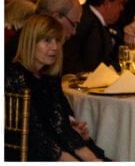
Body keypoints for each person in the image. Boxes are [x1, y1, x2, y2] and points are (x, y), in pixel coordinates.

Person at [6, 13, 104, 161]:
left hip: (53, 148)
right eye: (47, 40)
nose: (55, 47)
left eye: (58, 40)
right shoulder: (14, 76)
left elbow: (62, 126)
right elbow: (35, 134)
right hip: (27, 153)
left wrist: (92, 159)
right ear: (31, 42)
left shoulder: (49, 79)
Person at [62, 0, 124, 73]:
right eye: (119, 3)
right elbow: (93, 65)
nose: (121, 8)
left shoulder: (90, 17)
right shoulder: (87, 22)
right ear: (107, 3)